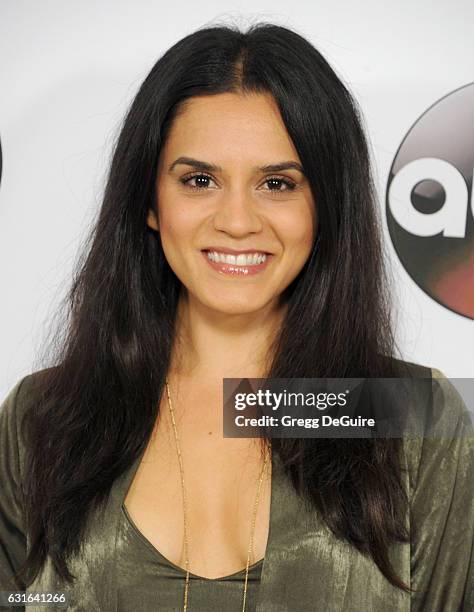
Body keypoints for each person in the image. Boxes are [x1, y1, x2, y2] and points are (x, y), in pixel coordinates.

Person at [0, 21, 473, 612]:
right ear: (149, 202)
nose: (237, 220)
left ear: (325, 206)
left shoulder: (408, 413)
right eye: (199, 180)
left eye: (277, 183)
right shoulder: (41, 418)